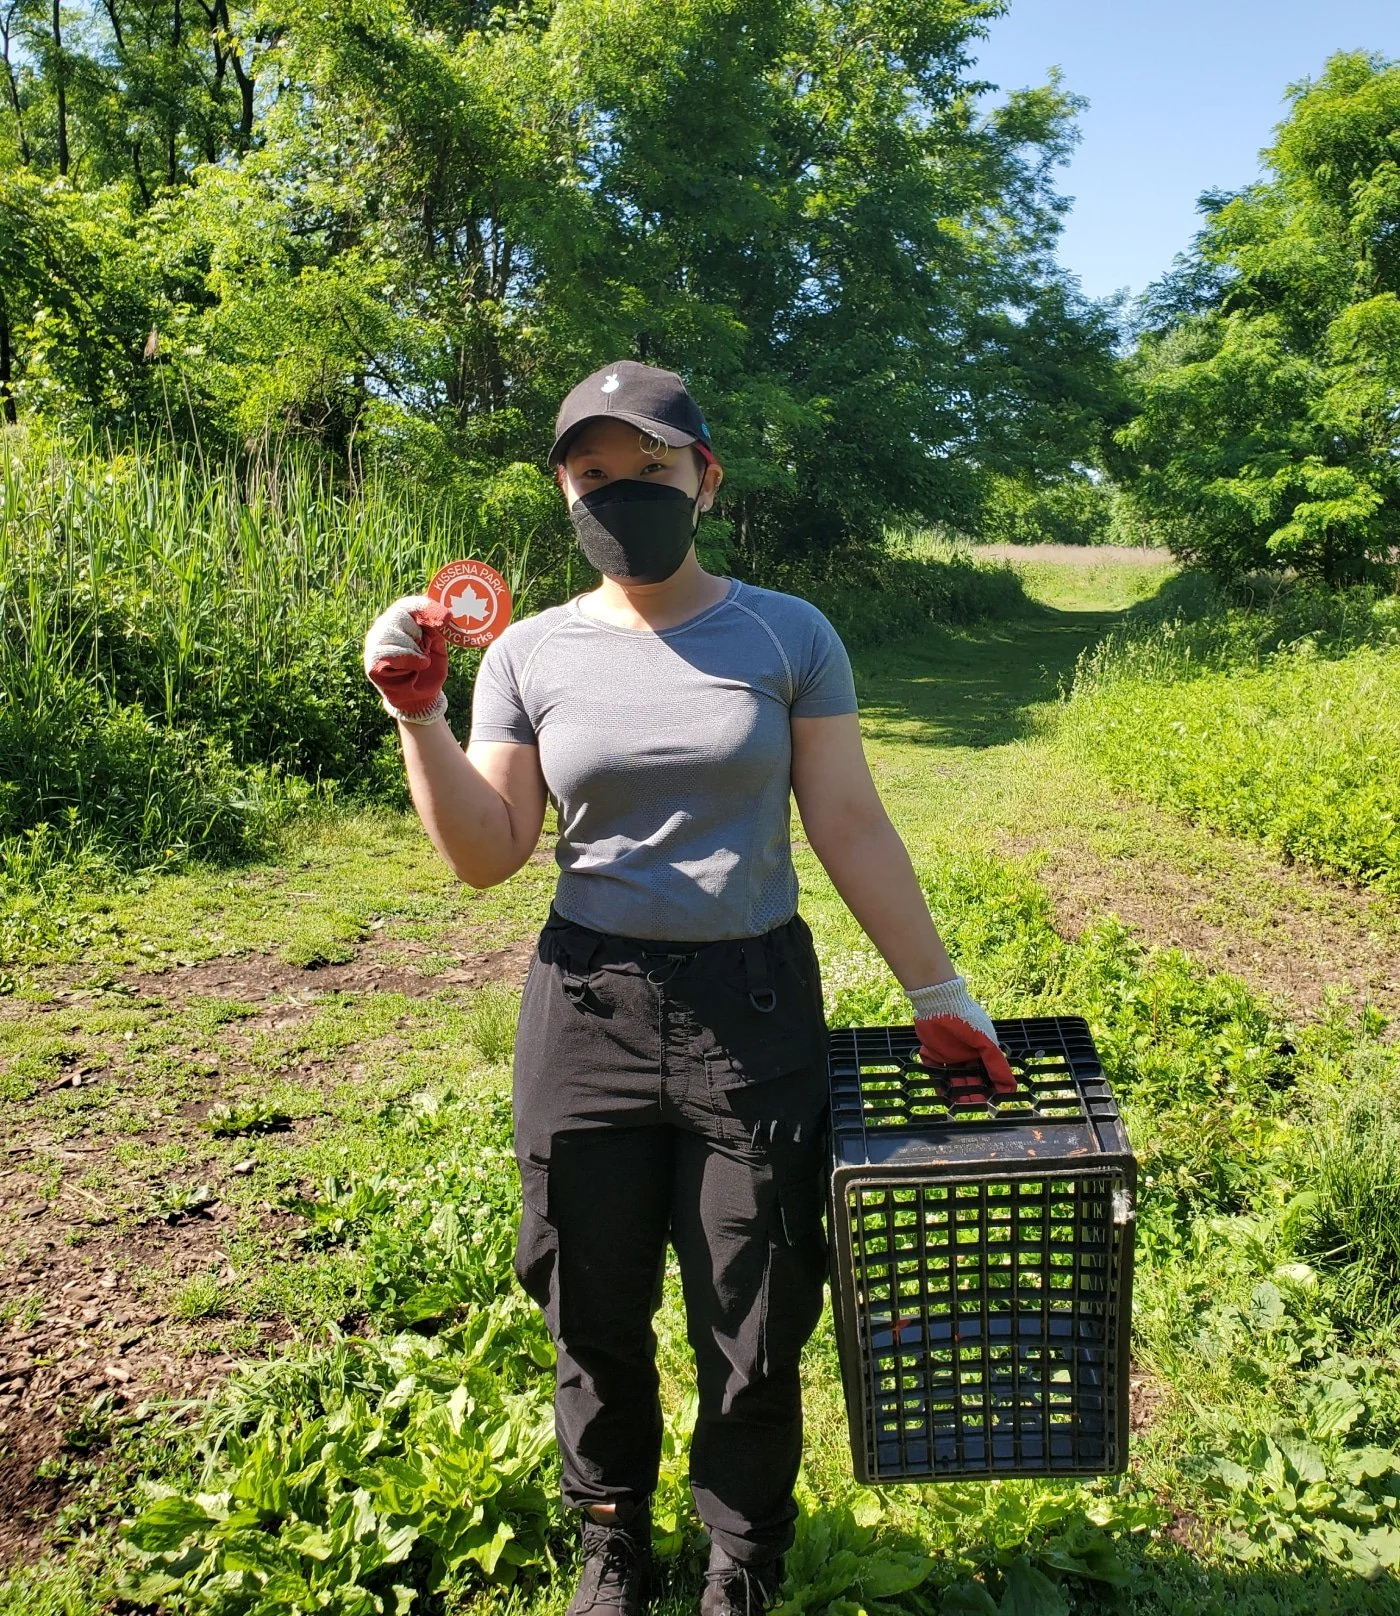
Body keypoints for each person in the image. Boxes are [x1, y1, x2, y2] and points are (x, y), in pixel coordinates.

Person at [362, 361, 1013, 1616]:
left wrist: (939, 988)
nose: (620, 493)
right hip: (587, 1002)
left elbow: (847, 820)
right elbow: (485, 853)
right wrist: (421, 715)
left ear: (703, 477)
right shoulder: (531, 651)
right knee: (586, 1304)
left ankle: (740, 1558)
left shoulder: (786, 632)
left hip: (751, 1008)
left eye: (648, 467)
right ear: (564, 491)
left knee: (754, 1313)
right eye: (591, 473)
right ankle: (613, 1541)